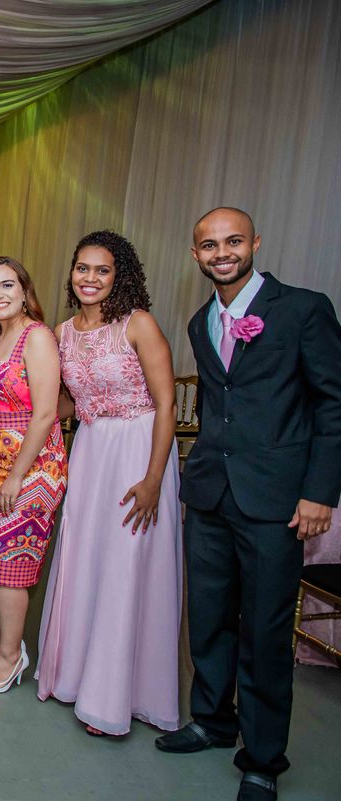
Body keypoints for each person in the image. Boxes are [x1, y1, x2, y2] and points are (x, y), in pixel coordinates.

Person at [155, 208, 341, 801]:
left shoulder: (303, 309)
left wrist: (319, 492)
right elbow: (222, 405)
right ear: (196, 255)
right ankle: (212, 720)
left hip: (276, 500)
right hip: (210, 492)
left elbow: (333, 404)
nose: (222, 253)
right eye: (209, 245)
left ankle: (262, 758)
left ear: (254, 242)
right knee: (208, 617)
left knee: (264, 630)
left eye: (233, 241)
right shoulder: (199, 321)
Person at [35, 231, 182, 737]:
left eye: (102, 270)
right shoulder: (62, 332)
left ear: (120, 276)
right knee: (87, 559)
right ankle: (76, 677)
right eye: (83, 268)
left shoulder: (138, 324)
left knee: (125, 566)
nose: (90, 278)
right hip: (91, 450)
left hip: (139, 450)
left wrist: (154, 480)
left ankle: (114, 697)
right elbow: (69, 402)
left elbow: (167, 404)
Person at [0, 257, 67, 693]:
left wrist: (16, 476)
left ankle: (11, 658)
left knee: (11, 565)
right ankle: (3, 647)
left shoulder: (37, 336)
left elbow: (46, 412)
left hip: (33, 467)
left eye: (7, 285)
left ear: (25, 291)